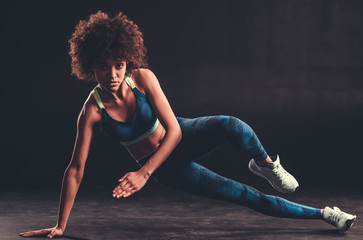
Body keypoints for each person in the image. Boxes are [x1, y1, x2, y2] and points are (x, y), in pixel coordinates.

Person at [19, 11, 356, 239]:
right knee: (248, 196)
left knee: (232, 125)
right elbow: (75, 169)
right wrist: (60, 225)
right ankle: (326, 214)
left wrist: (143, 174)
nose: (112, 74)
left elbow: (176, 131)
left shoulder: (143, 78)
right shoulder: (92, 111)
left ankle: (265, 164)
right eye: (103, 67)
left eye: (118, 64)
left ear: (127, 60)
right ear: (90, 67)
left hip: (181, 136)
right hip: (169, 169)